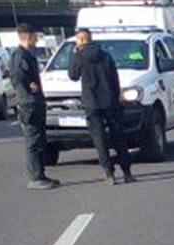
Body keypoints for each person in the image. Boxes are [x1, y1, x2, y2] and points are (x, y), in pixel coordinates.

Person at [67, 28, 134, 185]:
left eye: (77, 40)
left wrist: (74, 54)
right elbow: (114, 79)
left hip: (91, 102)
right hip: (110, 101)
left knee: (100, 139)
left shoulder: (80, 56)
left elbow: (73, 76)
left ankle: (109, 173)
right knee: (118, 137)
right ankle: (127, 171)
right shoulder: (106, 55)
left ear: (82, 40)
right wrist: (116, 98)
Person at [8, 24, 59, 189]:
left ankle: (41, 174)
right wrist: (28, 86)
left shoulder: (28, 55)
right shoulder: (19, 55)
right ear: (28, 36)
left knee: (40, 140)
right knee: (33, 141)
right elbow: (17, 76)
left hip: (35, 103)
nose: (37, 40)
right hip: (28, 104)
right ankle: (35, 178)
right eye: (35, 36)